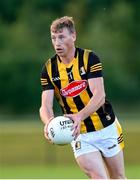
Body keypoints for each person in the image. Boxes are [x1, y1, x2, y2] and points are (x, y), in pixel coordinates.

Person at [39, 16, 125, 179]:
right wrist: (48, 121)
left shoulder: (89, 58)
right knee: (99, 178)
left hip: (106, 126)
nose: (57, 42)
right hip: (79, 134)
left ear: (73, 36)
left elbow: (99, 95)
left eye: (61, 37)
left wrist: (80, 116)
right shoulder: (49, 69)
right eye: (53, 38)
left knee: (118, 177)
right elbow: (45, 105)